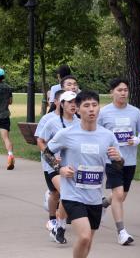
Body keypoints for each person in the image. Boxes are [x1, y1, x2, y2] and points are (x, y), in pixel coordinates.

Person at [44, 90, 124, 258]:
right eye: (86, 106)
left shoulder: (107, 136)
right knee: (84, 236)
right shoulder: (67, 134)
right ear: (78, 109)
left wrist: (118, 159)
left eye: (94, 105)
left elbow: (117, 166)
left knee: (88, 242)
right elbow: (47, 152)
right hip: (73, 195)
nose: (91, 109)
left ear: (99, 108)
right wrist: (60, 169)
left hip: (94, 197)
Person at [97, 78, 140, 245]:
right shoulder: (104, 112)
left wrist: (138, 139)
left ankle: (103, 205)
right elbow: (96, 132)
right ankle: (122, 232)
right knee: (118, 194)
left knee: (121, 196)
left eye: (125, 90)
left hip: (130, 159)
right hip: (112, 160)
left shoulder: (135, 112)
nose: (123, 93)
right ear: (112, 92)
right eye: (119, 90)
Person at [39, 90, 79, 244]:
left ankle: (58, 223)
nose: (73, 105)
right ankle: (58, 225)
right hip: (53, 166)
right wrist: (55, 162)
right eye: (69, 102)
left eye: (75, 101)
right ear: (62, 104)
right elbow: (41, 141)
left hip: (72, 167)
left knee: (62, 195)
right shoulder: (52, 122)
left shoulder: (79, 122)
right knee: (65, 193)